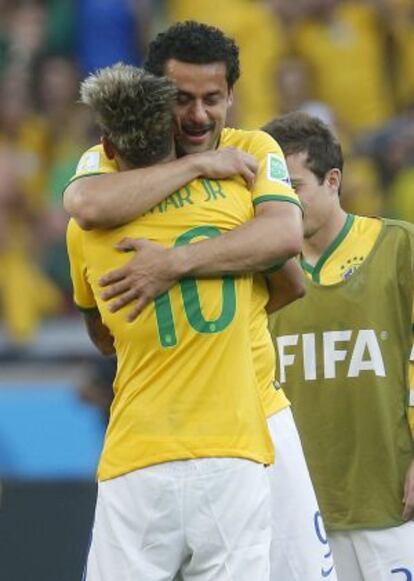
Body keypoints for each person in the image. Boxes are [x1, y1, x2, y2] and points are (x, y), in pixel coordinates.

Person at [64, 21, 335, 580]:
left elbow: (286, 241)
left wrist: (173, 264)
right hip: (215, 427)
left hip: (256, 403)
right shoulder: (118, 165)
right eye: (182, 99)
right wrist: (197, 167)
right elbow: (83, 201)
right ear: (157, 96)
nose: (198, 116)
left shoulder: (254, 146)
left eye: (213, 99)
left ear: (232, 96)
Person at [265, 111, 414, 581]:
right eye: (272, 190)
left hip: (389, 501)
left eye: (293, 186)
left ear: (333, 180)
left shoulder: (398, 248)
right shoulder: (259, 268)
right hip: (293, 510)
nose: (281, 202)